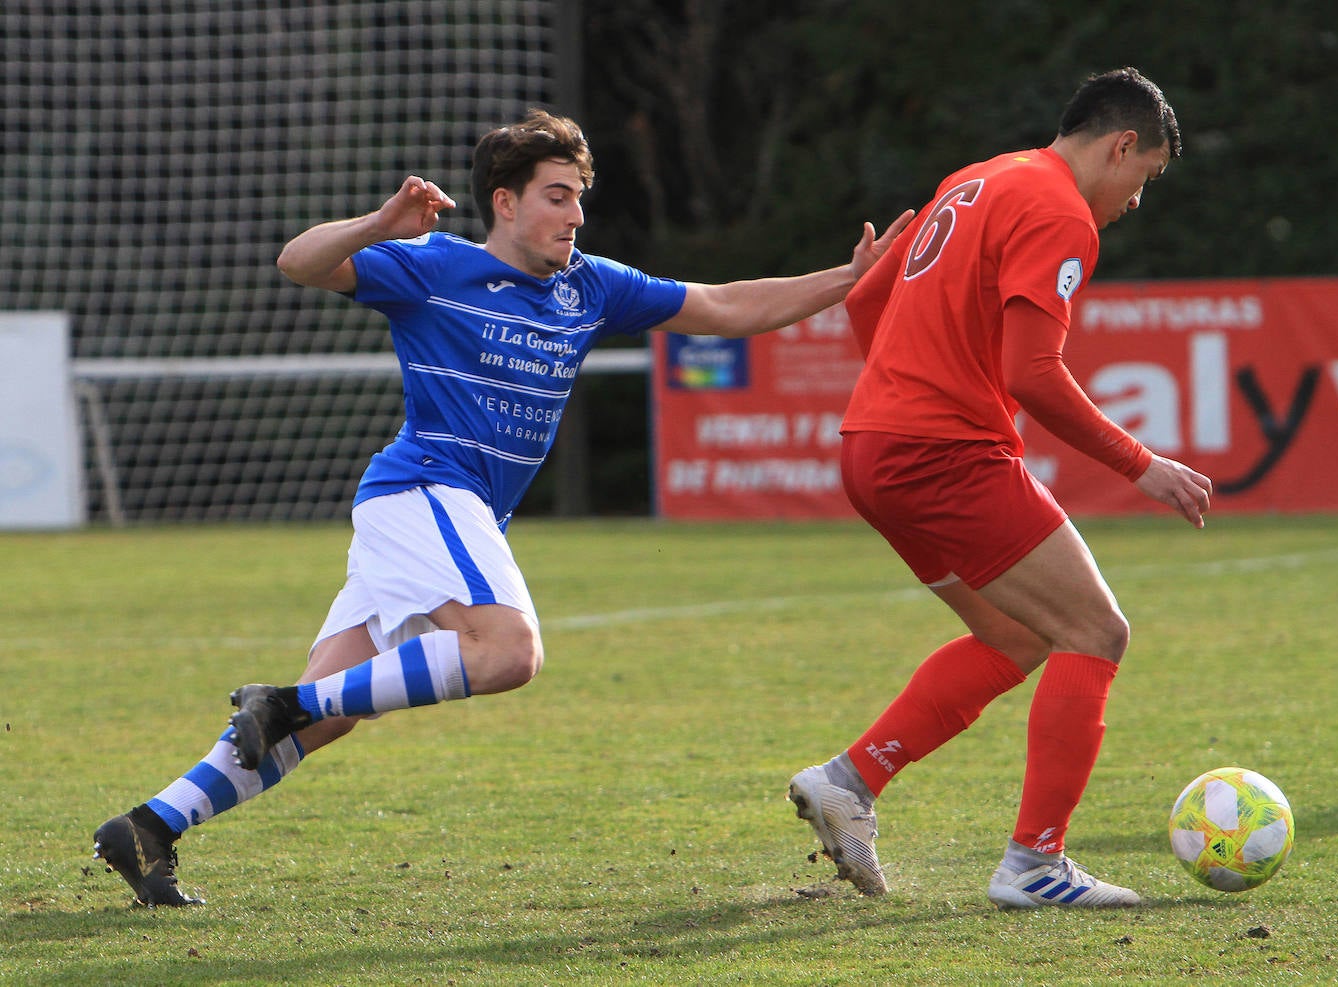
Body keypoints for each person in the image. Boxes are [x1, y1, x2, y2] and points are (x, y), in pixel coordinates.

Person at [91, 108, 912, 906]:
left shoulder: (589, 287)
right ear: (507, 202)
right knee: (507, 652)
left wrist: (847, 279)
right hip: (424, 493)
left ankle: (152, 825)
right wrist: (382, 222)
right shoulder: (432, 264)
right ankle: (285, 702)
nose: (575, 215)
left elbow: (725, 307)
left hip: (445, 514)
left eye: (579, 198)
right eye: (557, 195)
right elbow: (298, 262)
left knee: (333, 707)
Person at [786, 67, 1212, 908]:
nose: (1136, 201)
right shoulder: (1058, 210)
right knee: (1097, 630)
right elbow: (1034, 373)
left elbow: (867, 297)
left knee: (1017, 637)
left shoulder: (976, 176)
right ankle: (1035, 863)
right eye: (1146, 177)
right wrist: (1143, 464)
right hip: (945, 454)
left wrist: (911, 383)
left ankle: (848, 780)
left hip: (874, 448)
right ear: (1121, 145)